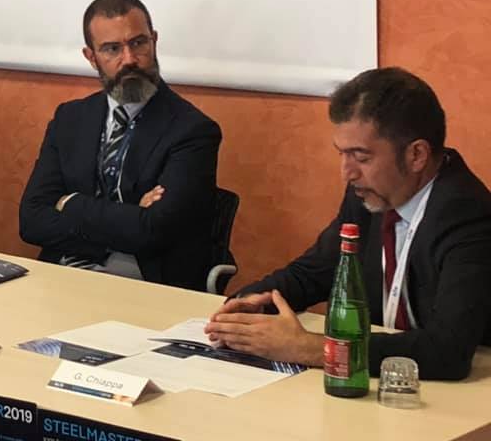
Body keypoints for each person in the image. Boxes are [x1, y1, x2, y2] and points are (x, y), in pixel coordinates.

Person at [205, 67, 491, 380]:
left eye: (361, 157)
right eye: (342, 154)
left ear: (416, 155)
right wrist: (250, 304)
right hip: (379, 382)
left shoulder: (468, 215)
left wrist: (312, 348)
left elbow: (448, 352)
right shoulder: (371, 192)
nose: (347, 172)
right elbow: (317, 270)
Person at [19, 0, 222, 289]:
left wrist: (69, 203)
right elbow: (31, 220)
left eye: (138, 43)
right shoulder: (70, 119)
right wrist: (130, 216)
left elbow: (154, 231)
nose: (129, 60)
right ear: (91, 57)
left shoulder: (192, 130)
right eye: (112, 49)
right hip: (62, 275)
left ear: (154, 41)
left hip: (144, 283)